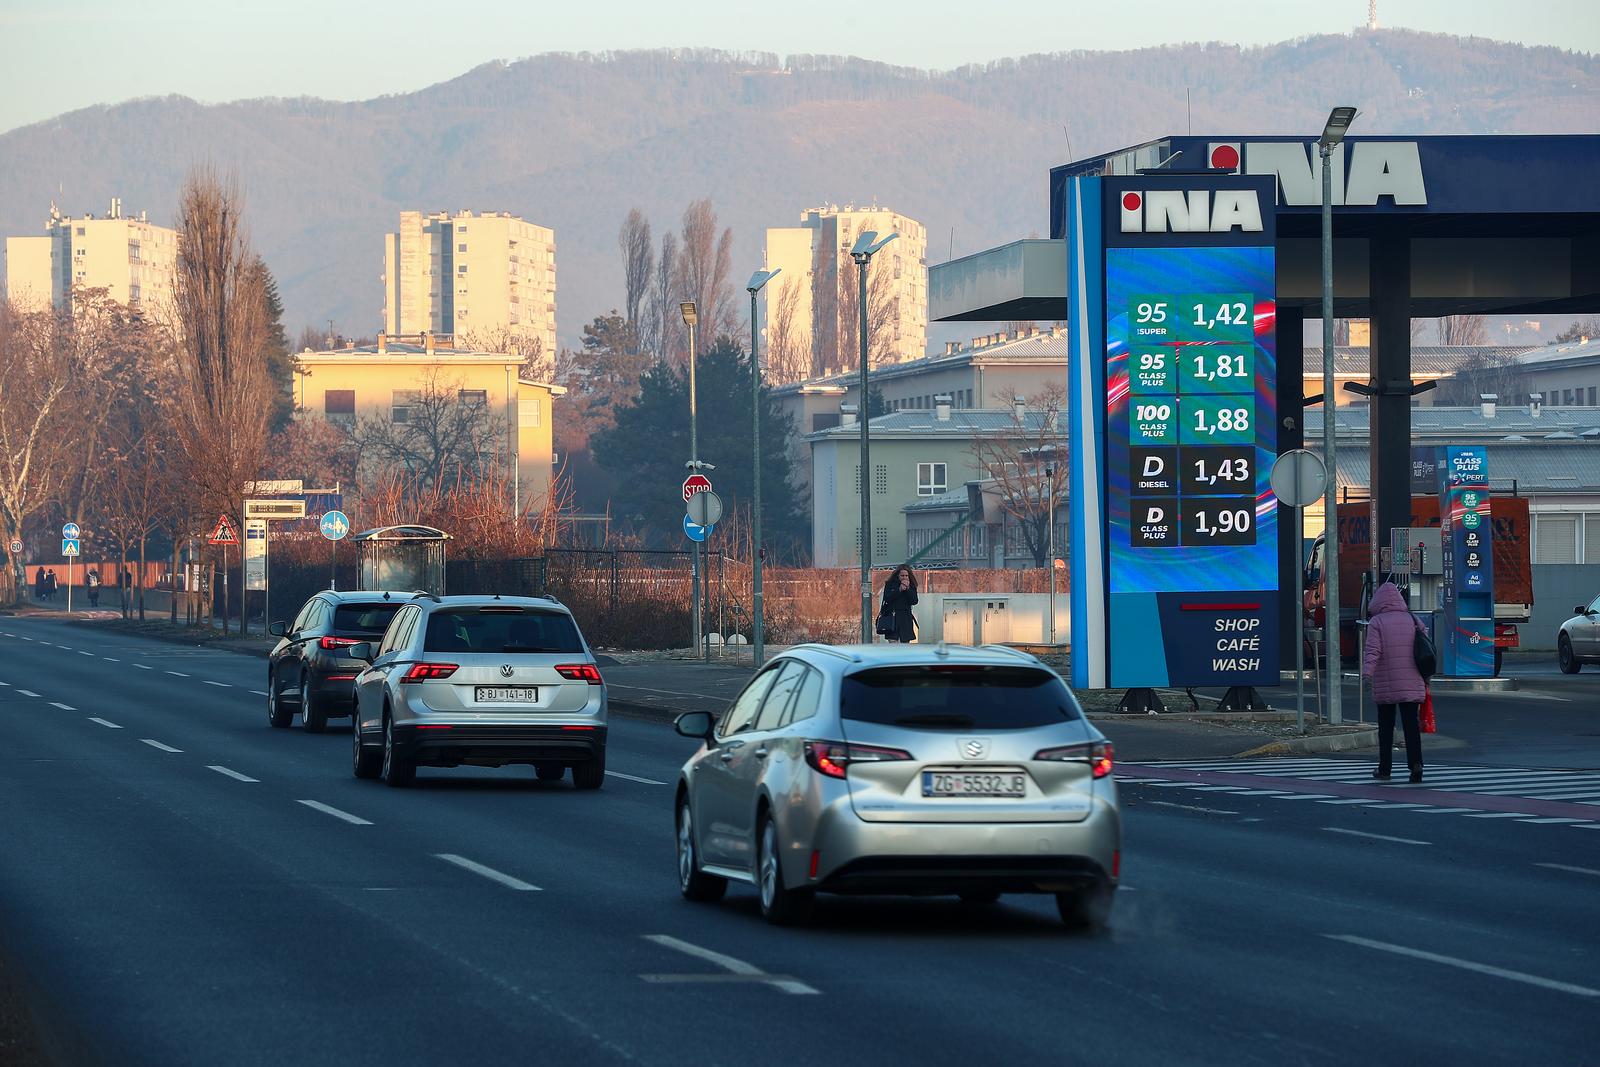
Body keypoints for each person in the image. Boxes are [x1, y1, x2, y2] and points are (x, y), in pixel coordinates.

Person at [1361, 581, 1427, 783]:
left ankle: (1385, 769)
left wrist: (1366, 674)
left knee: (1386, 727)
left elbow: (1373, 651)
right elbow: (1425, 649)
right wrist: (1427, 677)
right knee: (1411, 726)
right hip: (1412, 680)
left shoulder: (1377, 622)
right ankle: (1416, 764)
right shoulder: (1413, 619)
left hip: (1386, 683)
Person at [879, 565, 919, 644]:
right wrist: (899, 590)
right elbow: (887, 598)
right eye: (902, 575)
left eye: (906, 575)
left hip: (905, 619)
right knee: (893, 644)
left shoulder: (911, 586)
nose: (904, 577)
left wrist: (907, 589)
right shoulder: (890, 584)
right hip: (892, 618)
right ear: (897, 575)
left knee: (905, 644)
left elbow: (914, 601)